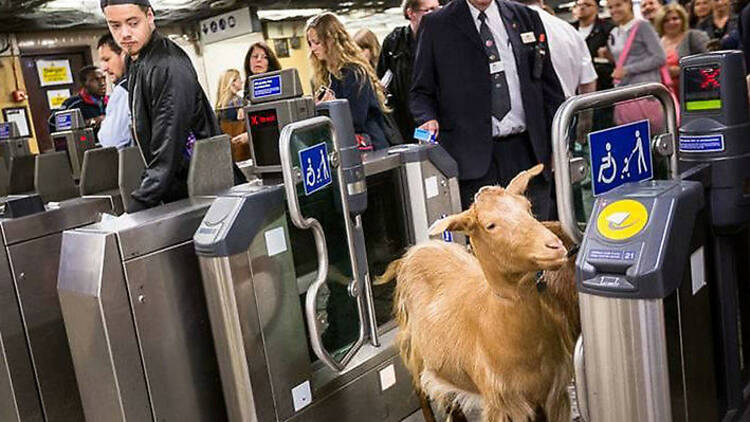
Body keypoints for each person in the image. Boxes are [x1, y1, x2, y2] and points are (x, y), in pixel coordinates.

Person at [410, 0, 565, 216]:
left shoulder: (526, 17)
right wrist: (427, 118)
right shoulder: (436, 24)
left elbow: (549, 87)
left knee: (536, 235)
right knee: (489, 239)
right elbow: (420, 92)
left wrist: (558, 143)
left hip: (529, 152)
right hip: (472, 158)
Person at [102, 0, 221, 212]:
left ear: (149, 16)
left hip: (205, 191)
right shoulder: (135, 61)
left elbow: (168, 143)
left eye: (133, 22)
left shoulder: (168, 65)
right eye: (115, 26)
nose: (124, 34)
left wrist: (137, 206)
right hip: (180, 190)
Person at [306, 12, 391, 151]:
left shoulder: (354, 72)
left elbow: (357, 120)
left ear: (331, 41)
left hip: (369, 147)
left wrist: (330, 107)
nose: (313, 48)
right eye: (310, 43)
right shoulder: (322, 76)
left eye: (317, 42)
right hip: (342, 147)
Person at [377, 0, 440, 142]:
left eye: (437, 9)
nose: (436, 14)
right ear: (411, 13)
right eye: (428, 10)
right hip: (406, 119)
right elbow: (381, 79)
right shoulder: (394, 42)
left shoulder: (446, 39)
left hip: (438, 120)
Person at [599, 0, 666, 129]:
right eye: (610, 7)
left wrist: (627, 70)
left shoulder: (643, 26)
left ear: (629, 4)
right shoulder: (614, 33)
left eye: (618, 5)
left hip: (645, 93)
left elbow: (659, 57)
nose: (614, 10)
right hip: (624, 94)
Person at [517, 0, 597, 98]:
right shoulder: (570, 31)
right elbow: (587, 85)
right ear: (541, 1)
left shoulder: (505, 29)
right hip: (566, 108)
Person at [657, 3, 708, 99]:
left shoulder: (694, 36)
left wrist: (680, 70)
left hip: (693, 93)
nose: (671, 22)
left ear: (683, 19)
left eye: (675, 18)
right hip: (666, 96)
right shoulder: (657, 42)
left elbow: (709, 63)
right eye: (666, 20)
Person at [96, 33, 133, 149]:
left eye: (107, 59)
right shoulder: (147, 78)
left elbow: (111, 140)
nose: (104, 68)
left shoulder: (124, 89)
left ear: (124, 54)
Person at [573, 0, 615, 93]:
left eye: (587, 5)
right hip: (575, 85)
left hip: (603, 85)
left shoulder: (608, 29)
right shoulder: (569, 30)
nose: (582, 7)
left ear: (596, 8)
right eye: (578, 5)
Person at [49, 65, 107, 133]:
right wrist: (90, 122)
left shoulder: (112, 101)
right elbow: (53, 123)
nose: (102, 83)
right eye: (96, 80)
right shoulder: (73, 104)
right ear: (84, 83)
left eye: (103, 78)